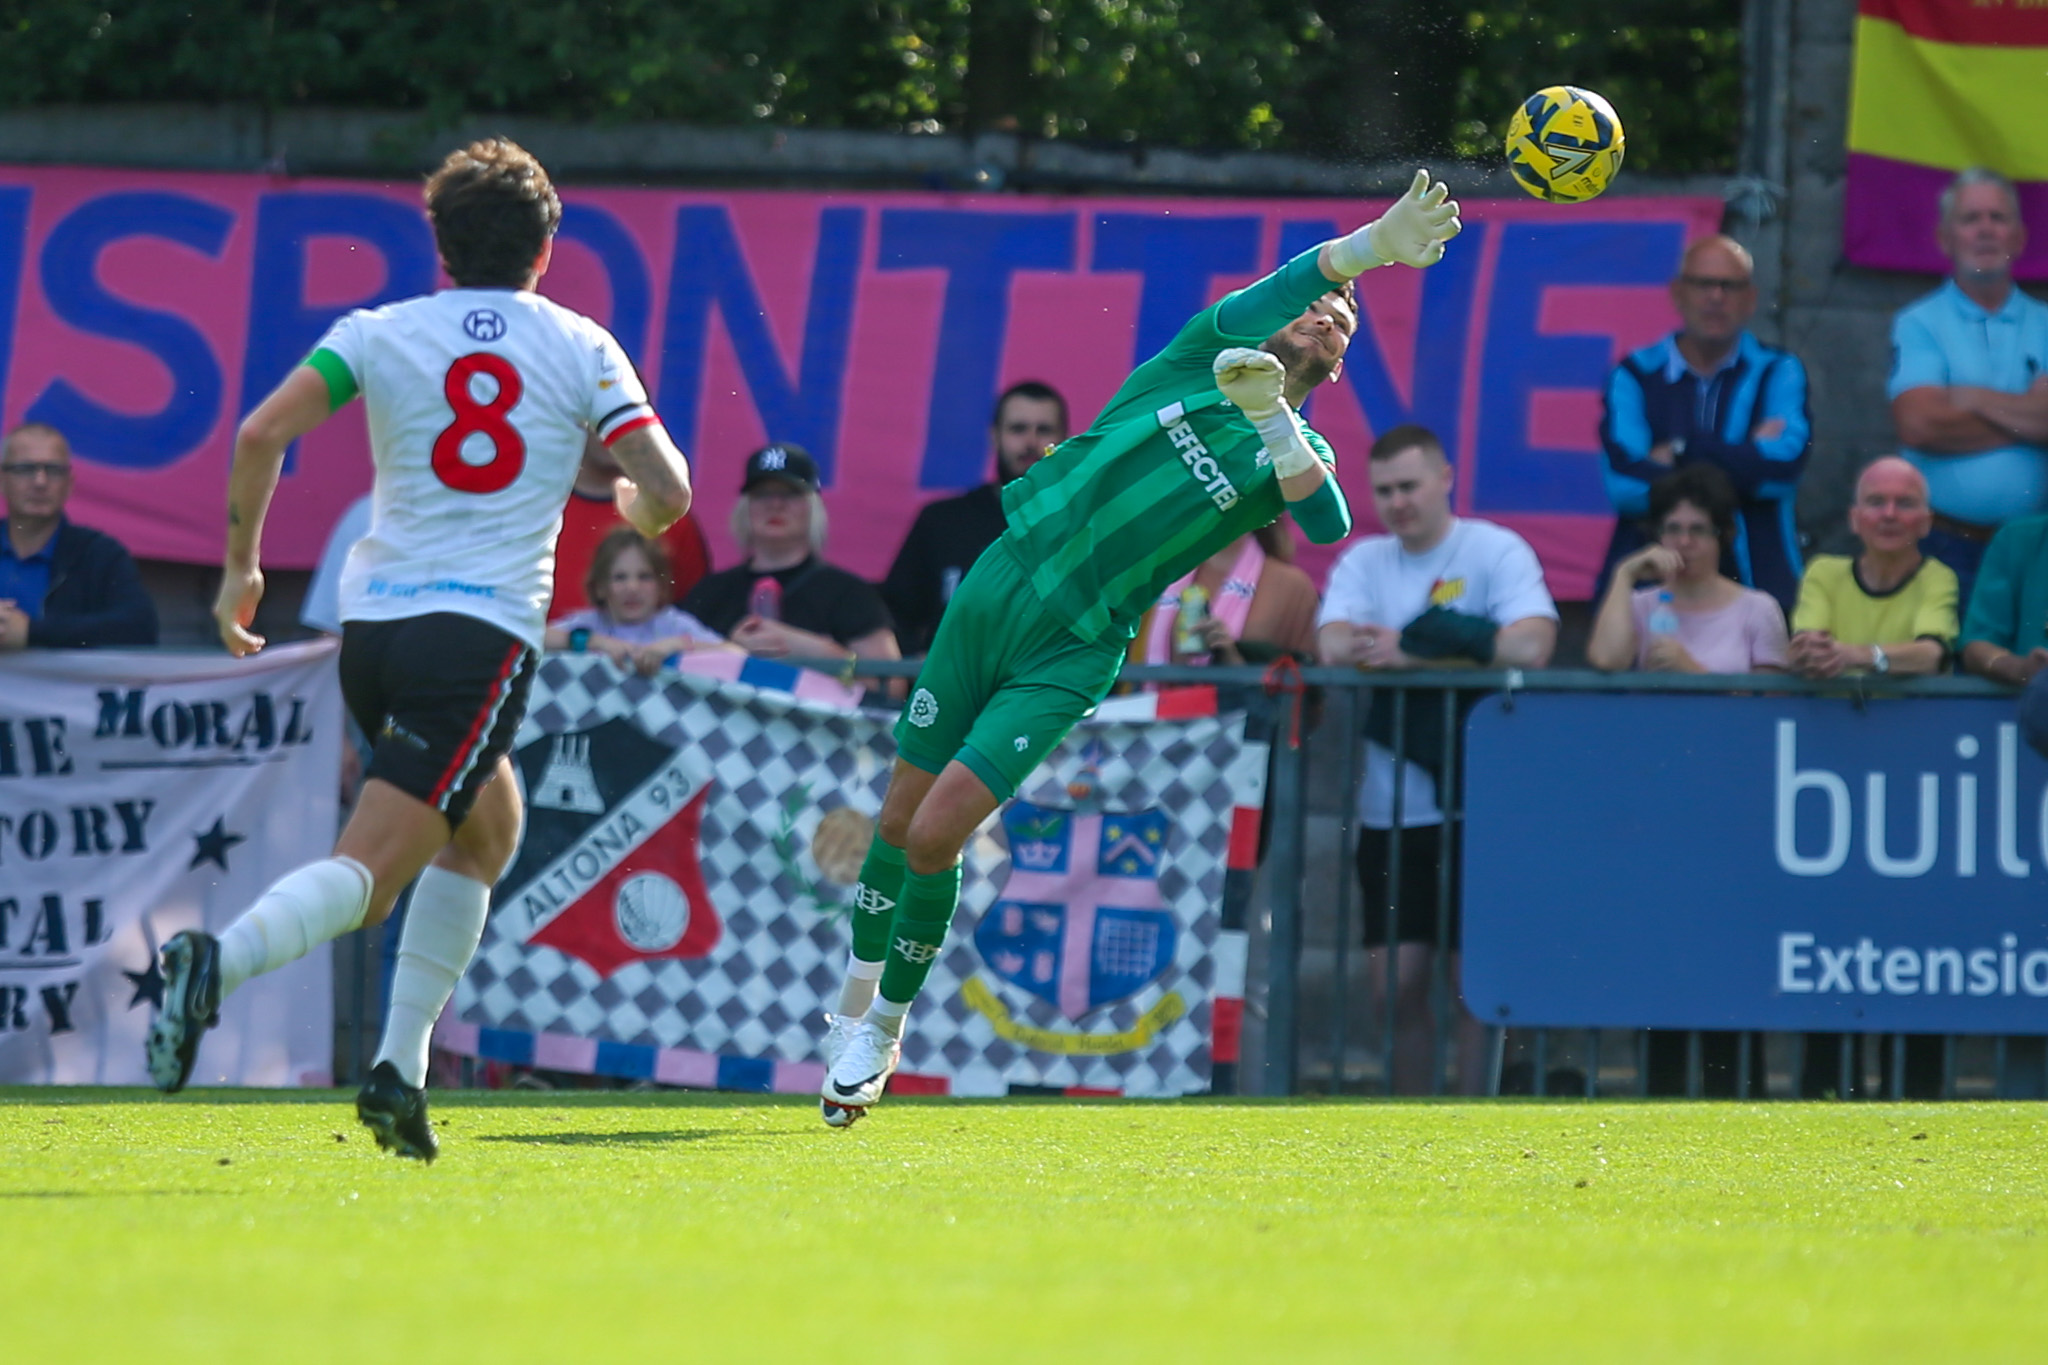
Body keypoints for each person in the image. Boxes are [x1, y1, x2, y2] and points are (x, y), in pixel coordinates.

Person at [816, 169, 1461, 1126]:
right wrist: (1369, 245)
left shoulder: (1300, 450)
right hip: (1003, 583)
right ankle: (852, 1003)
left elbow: (1323, 520)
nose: (1330, 313)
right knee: (898, 822)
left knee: (939, 829)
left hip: (1075, 647)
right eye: (1320, 305)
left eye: (1345, 319)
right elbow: (1294, 279)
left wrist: (1277, 420)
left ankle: (883, 1031)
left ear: (1341, 365)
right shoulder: (1200, 354)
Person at [144, 139, 695, 1162]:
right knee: (373, 876)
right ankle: (213, 962)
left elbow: (262, 432)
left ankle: (397, 1073)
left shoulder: (378, 332)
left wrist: (239, 572)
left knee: (485, 833)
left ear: (439, 242)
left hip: (374, 631)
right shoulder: (580, 343)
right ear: (546, 246)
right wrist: (633, 505)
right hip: (477, 636)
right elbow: (667, 488)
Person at [1316, 423, 1558, 1096]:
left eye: (1410, 485)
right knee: (1395, 985)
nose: (1398, 502)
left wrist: (1421, 649)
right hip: (1392, 809)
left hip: (1483, 805)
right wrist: (1446, 646)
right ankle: (1412, 1116)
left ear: (1446, 477)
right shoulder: (1364, 561)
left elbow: (1532, 643)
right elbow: (1334, 643)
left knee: (1475, 983)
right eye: (1385, 489)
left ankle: (1474, 1116)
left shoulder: (1494, 550)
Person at [1599, 235, 1811, 611]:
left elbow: (1781, 471)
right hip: (1650, 588)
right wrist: (1743, 457)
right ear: (1677, 293)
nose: (1716, 297)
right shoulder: (1633, 374)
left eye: (1729, 286)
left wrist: (1680, 451)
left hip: (1761, 583)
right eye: (1703, 284)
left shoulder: (1779, 370)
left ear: (1751, 299)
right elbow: (1626, 487)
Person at [1890, 167, 2048, 609]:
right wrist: (2029, 415)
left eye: (1998, 218)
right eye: (1971, 218)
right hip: (1942, 545)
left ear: (2018, 238)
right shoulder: (1918, 323)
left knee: (2026, 674)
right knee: (1942, 672)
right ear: (1945, 238)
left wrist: (1971, 397)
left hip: (2034, 550)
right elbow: (1920, 426)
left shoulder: (2046, 324)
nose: (1985, 230)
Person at [881, 381, 1069, 655]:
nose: (1031, 442)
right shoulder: (943, 522)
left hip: (1051, 686)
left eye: (1044, 430)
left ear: (1066, 439)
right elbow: (894, 614)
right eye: (1018, 429)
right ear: (994, 436)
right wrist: (919, 667)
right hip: (952, 689)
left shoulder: (1085, 524)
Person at [680, 443, 900, 672]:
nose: (775, 505)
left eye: (790, 494)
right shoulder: (710, 592)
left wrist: (816, 650)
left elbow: (891, 683)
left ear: (813, 506)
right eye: (762, 494)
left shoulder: (849, 593)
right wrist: (730, 651)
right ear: (745, 507)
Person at [1587, 465, 1790, 676]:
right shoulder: (1641, 605)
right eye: (1673, 529)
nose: (1684, 542)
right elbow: (1606, 660)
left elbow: (1770, 701)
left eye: (1698, 530)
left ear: (1721, 536)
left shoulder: (1757, 609)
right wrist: (1624, 574)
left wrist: (1692, 671)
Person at [1787, 457, 1957, 681]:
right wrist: (1812, 654)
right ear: (1854, 519)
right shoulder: (1823, 572)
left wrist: (1857, 655)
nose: (1889, 514)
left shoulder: (1937, 577)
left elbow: (1931, 655)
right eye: (1876, 502)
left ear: (1926, 522)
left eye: (1905, 503)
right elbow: (1807, 649)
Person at [0, 422, 158, 649]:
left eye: (53, 471)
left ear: (69, 484)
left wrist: (30, 632)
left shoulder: (99, 554)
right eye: (25, 469)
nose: (40, 482)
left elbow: (141, 628)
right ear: (1, 480)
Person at [550, 430, 713, 614]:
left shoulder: (670, 515)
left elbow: (695, 613)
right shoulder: (540, 509)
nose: (613, 431)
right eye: (601, 414)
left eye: (625, 415)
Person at [1130, 521, 1320, 671]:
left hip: (1249, 717)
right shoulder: (1157, 576)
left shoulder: (1290, 586)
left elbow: (1308, 689)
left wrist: (1232, 659)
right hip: (1149, 714)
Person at [544, 526, 730, 674]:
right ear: (600, 587)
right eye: (620, 577)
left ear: (661, 585)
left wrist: (677, 645)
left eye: (644, 577)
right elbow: (536, 638)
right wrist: (594, 642)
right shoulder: (592, 623)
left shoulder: (673, 624)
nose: (632, 588)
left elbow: (735, 654)